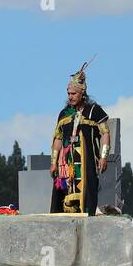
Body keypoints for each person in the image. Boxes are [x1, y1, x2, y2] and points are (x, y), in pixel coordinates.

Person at [50, 61, 110, 214]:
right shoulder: (64, 114)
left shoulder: (94, 111)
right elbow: (57, 139)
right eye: (68, 94)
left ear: (82, 93)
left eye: (74, 94)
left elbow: (105, 133)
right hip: (66, 165)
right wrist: (54, 162)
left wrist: (103, 157)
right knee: (63, 197)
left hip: (86, 163)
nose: (70, 97)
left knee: (87, 195)